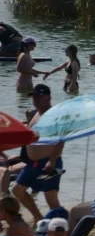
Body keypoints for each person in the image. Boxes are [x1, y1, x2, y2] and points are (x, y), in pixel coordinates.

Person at [12, 84, 64, 223]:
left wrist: (52, 160)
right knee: (17, 190)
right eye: (34, 96)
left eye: (39, 96)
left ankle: (64, 226)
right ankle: (38, 217)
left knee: (51, 199)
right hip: (34, 163)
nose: (35, 99)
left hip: (48, 162)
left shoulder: (54, 114)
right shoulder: (36, 113)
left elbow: (61, 139)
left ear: (48, 97)